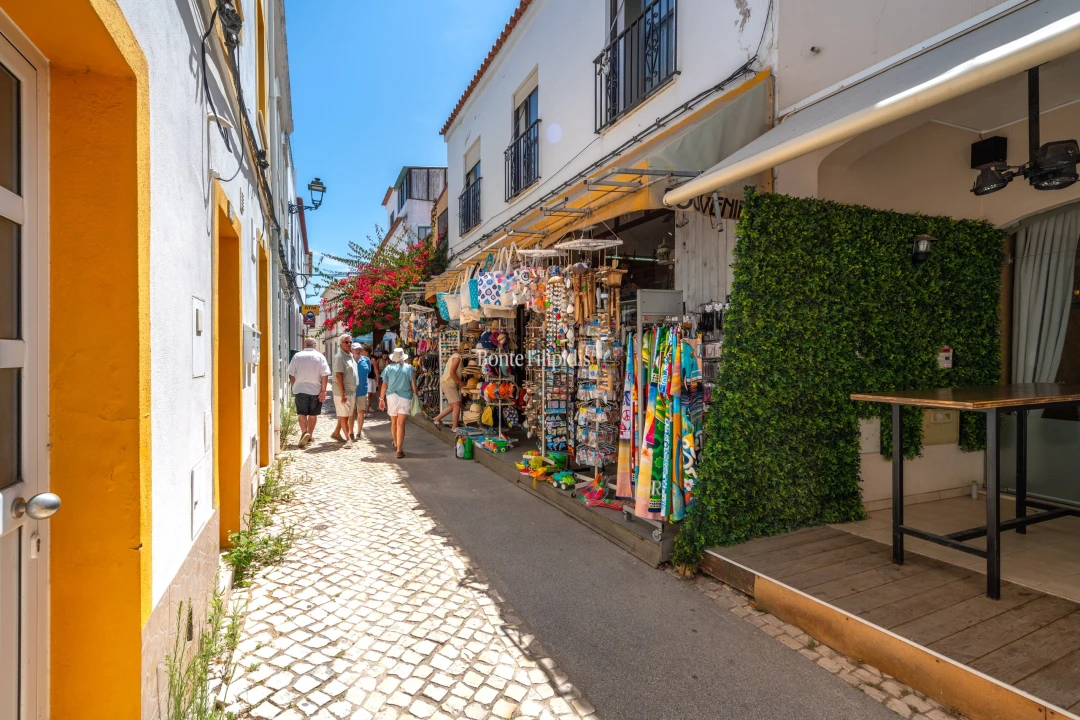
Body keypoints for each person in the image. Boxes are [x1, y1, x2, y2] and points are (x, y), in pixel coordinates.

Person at [286, 337, 330, 448]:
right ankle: (309, 435)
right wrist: (323, 390)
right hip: (315, 389)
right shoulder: (320, 357)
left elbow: (291, 373)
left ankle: (304, 432)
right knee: (313, 414)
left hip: (300, 388)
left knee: (302, 413)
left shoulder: (297, 356)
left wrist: (293, 385)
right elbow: (325, 374)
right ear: (314, 345)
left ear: (304, 345)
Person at [379, 347, 419, 458]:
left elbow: (384, 386)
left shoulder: (388, 368)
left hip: (391, 397)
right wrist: (416, 395)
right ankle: (399, 450)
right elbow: (414, 385)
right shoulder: (410, 368)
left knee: (394, 422)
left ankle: (396, 443)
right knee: (401, 423)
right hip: (405, 397)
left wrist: (381, 399)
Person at [431, 340, 470, 430]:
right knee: (457, 404)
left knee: (453, 405)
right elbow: (452, 373)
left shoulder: (456, 356)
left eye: (469, 349)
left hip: (447, 383)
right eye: (466, 349)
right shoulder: (457, 357)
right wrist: (461, 383)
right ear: (462, 349)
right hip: (449, 383)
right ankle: (454, 426)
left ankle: (437, 418)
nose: (467, 351)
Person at [331, 333, 359, 449]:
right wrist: (342, 394)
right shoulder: (340, 357)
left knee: (347, 414)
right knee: (344, 416)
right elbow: (338, 376)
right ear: (341, 344)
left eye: (350, 342)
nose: (349, 344)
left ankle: (336, 433)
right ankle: (348, 439)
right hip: (343, 391)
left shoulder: (350, 355)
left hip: (351, 390)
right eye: (346, 342)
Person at [351, 342, 372, 440]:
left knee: (361, 411)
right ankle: (350, 433)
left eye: (359, 349)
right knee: (351, 412)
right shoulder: (348, 360)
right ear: (351, 350)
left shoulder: (366, 360)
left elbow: (368, 371)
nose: (358, 350)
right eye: (355, 349)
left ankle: (359, 433)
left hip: (363, 390)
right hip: (350, 391)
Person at [365, 344, 380, 416]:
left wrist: (377, 379)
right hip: (364, 378)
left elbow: (376, 370)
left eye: (363, 351)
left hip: (370, 379)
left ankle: (367, 410)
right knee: (366, 395)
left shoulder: (372, 359)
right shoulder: (360, 358)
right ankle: (365, 410)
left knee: (369, 395)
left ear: (366, 352)